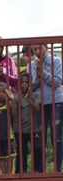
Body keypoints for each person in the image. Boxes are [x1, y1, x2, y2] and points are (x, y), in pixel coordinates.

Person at [29, 42, 63, 172]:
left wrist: (42, 72)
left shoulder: (56, 61)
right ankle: (41, 170)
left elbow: (57, 82)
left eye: (39, 48)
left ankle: (57, 170)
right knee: (40, 138)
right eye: (34, 49)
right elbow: (31, 86)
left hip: (56, 102)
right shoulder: (31, 65)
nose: (37, 51)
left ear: (46, 48)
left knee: (56, 137)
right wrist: (37, 75)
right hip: (40, 104)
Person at [11, 71, 42, 173]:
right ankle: (21, 172)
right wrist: (13, 101)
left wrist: (29, 99)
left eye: (26, 82)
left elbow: (37, 108)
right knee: (21, 152)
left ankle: (38, 170)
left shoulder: (35, 95)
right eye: (22, 82)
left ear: (30, 83)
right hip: (20, 129)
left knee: (37, 150)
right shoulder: (16, 97)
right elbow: (14, 114)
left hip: (34, 128)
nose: (24, 84)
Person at [0, 83, 17, 174]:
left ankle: (10, 173)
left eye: (3, 92)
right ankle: (3, 174)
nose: (1, 94)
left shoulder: (9, 105)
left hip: (8, 135)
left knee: (10, 156)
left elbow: (14, 113)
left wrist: (12, 99)